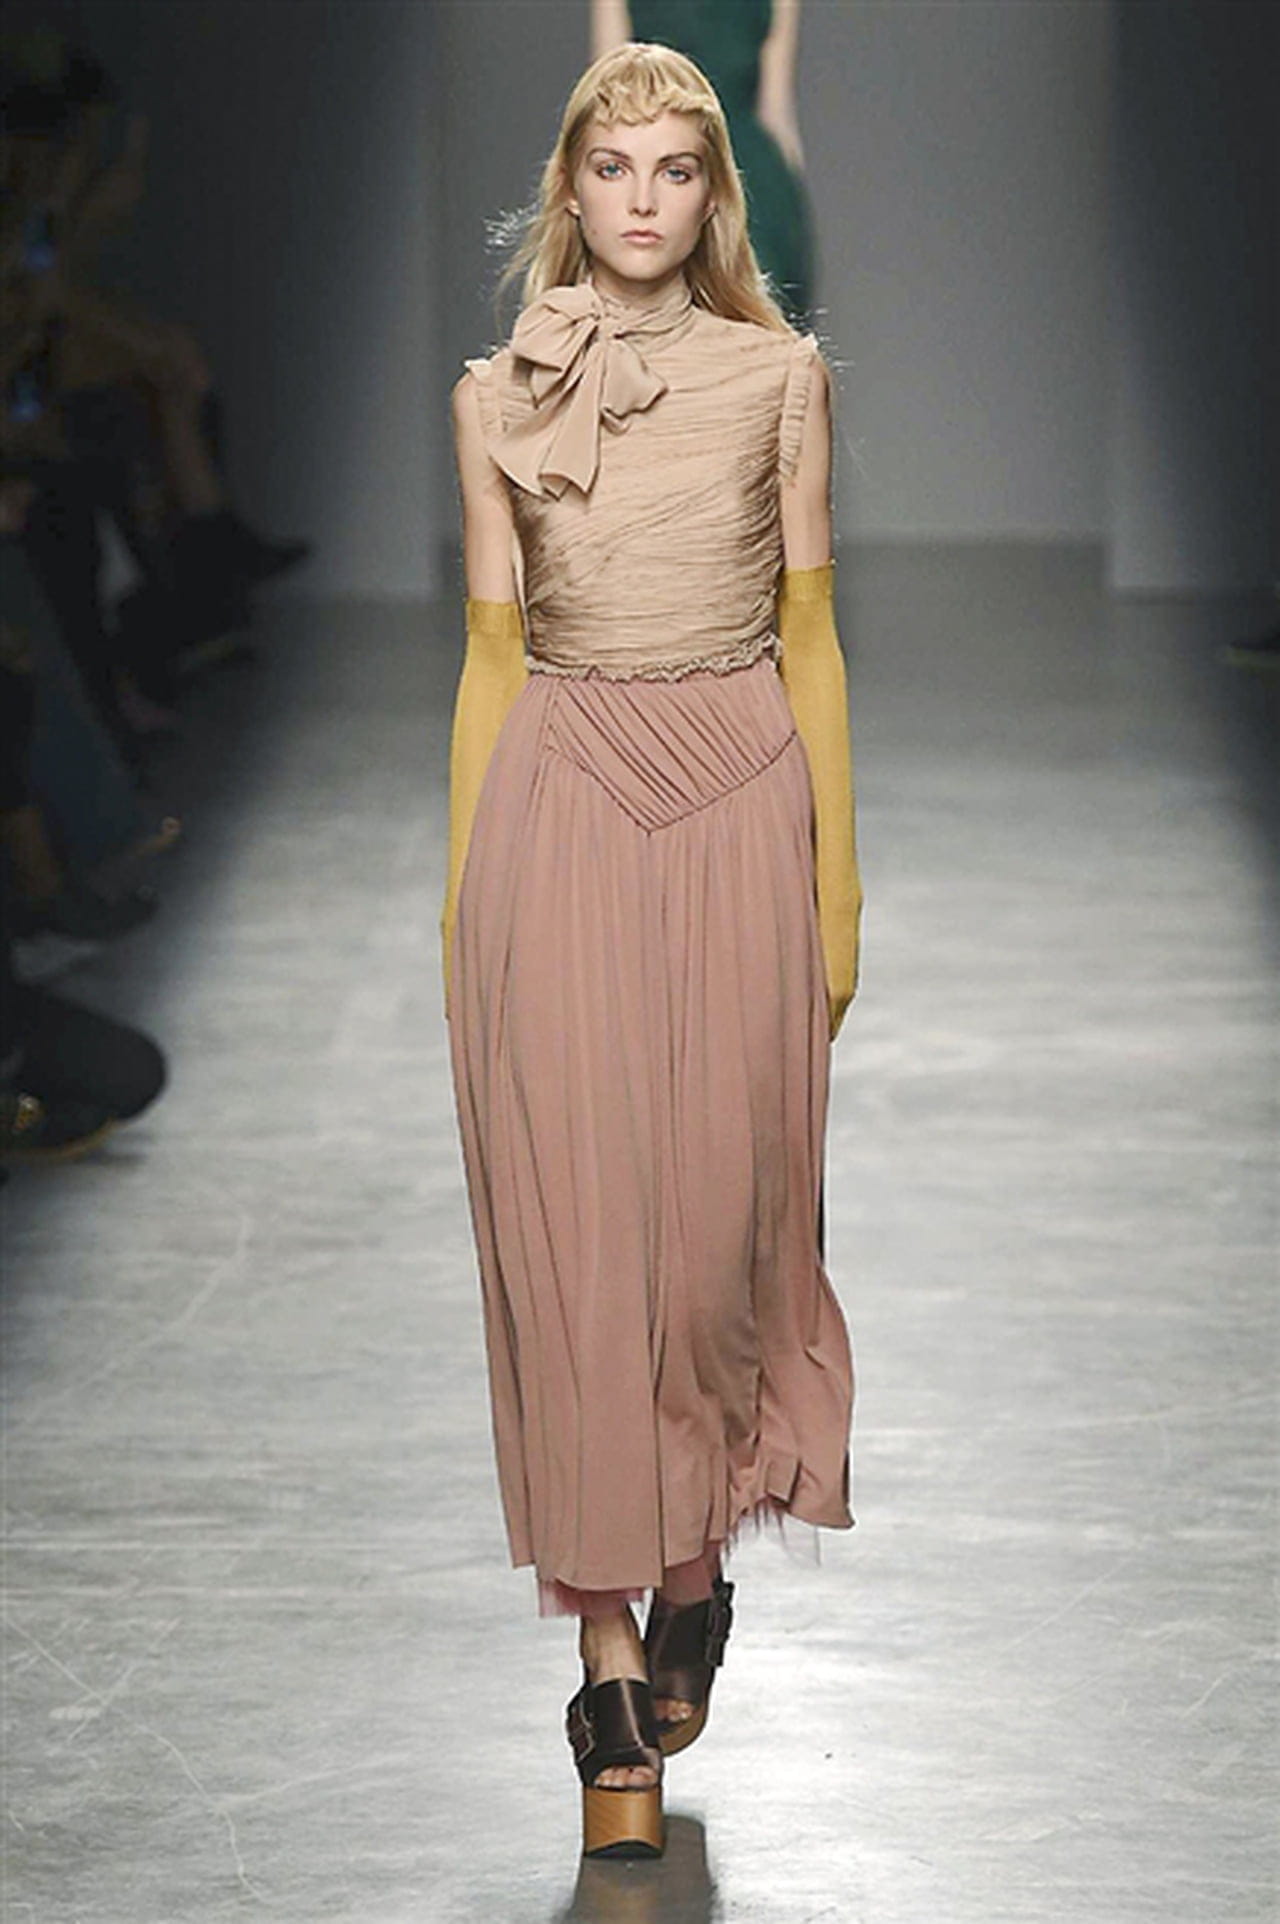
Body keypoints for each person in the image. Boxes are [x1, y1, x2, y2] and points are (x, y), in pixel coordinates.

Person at [443, 42, 861, 1860]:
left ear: (713, 195)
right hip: (558, 806)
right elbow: (489, 662)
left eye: (675, 169)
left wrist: (838, 897)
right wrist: (462, 906)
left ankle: (692, 1573)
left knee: (710, 1240)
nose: (641, 199)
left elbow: (813, 640)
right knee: (577, 1242)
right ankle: (610, 1654)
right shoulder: (494, 398)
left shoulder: (780, 378)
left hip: (742, 794)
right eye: (611, 167)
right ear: (570, 187)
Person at [591, 0, 816, 323]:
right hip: (663, 175)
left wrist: (792, 215)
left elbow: (776, 110)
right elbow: (605, 102)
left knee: (759, 332)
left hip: (753, 188)